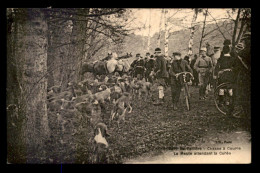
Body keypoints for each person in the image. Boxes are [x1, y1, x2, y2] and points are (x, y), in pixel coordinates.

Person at [214, 45, 237, 116]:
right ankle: (230, 101)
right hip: (230, 74)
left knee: (221, 88)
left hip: (222, 74)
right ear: (229, 51)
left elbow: (217, 67)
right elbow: (235, 67)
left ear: (223, 51)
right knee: (230, 87)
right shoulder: (233, 58)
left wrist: (215, 74)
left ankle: (221, 101)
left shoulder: (220, 59)